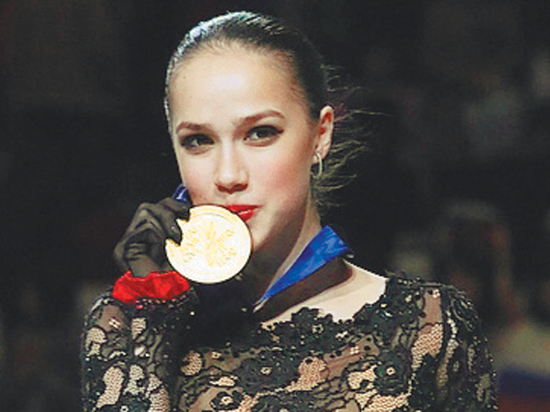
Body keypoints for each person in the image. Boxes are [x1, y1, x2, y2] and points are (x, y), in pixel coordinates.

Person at [81, 11, 496, 411]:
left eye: (260, 133)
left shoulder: (429, 325)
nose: (228, 175)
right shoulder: (124, 327)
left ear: (320, 134)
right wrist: (152, 308)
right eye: (198, 141)